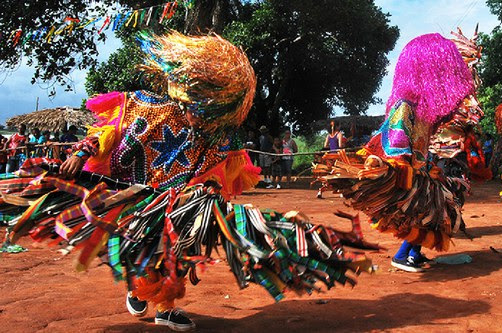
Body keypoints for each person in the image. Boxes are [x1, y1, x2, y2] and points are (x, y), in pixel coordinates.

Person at [1, 32, 375, 330]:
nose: (203, 112)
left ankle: (165, 307)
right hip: (135, 197)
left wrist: (209, 194)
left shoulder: (217, 136)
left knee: (177, 255)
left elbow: (218, 173)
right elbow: (106, 134)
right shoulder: (142, 104)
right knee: (145, 256)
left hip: (181, 204)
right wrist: (80, 154)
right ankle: (142, 290)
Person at [316, 30, 483, 272]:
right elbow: (395, 138)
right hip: (406, 172)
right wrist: (403, 170)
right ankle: (404, 255)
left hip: (423, 171)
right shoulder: (405, 106)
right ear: (426, 69)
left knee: (436, 214)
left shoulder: (426, 109)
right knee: (421, 213)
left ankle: (413, 253)